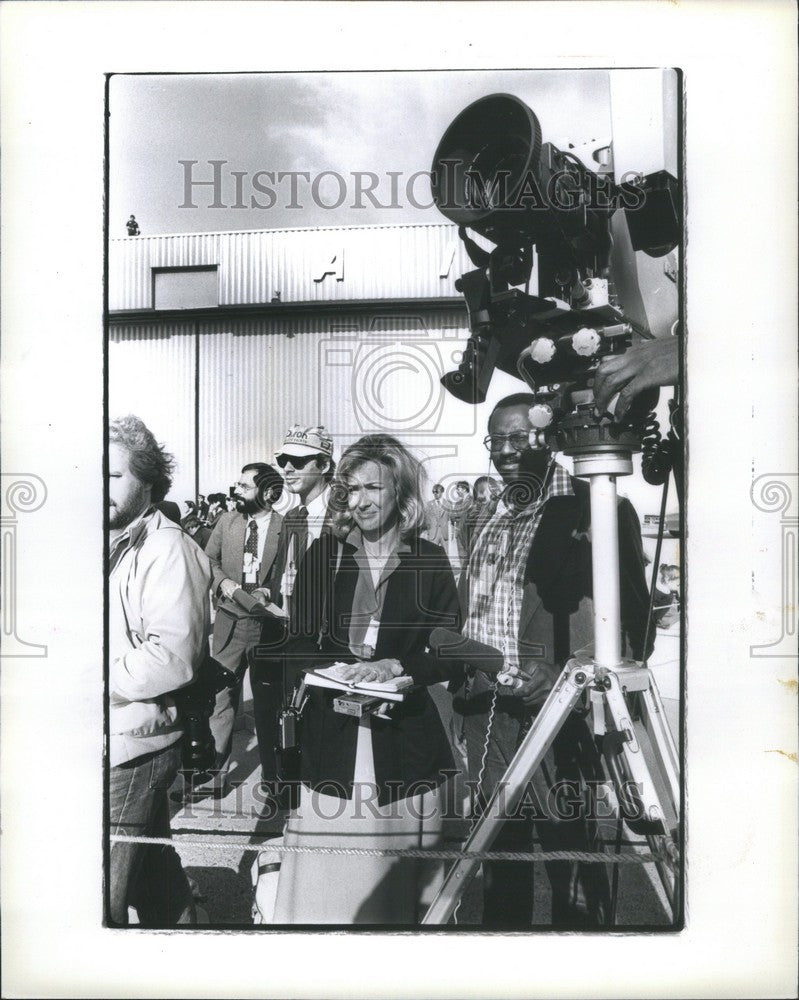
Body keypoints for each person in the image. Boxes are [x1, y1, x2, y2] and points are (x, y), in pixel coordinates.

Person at [456, 392, 653, 928]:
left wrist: (573, 670)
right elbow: (473, 608)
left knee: (574, 845)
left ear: (550, 437)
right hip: (487, 710)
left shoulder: (600, 508)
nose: (505, 451)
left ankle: (585, 959)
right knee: (497, 845)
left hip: (558, 706)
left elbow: (633, 619)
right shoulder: (486, 514)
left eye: (519, 437)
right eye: (496, 440)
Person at [272, 435, 462, 924]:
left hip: (402, 747)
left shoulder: (429, 560)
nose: (359, 502)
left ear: (400, 491)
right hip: (330, 741)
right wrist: (332, 675)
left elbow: (448, 650)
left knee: (394, 888)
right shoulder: (325, 555)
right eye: (351, 489)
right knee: (326, 887)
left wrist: (397, 668)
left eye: (372, 488)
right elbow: (295, 646)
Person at [108, 415, 211, 926]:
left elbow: (171, 657)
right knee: (151, 873)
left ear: (146, 480)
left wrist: (89, 678)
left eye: (112, 476)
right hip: (106, 733)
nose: (97, 487)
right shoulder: (107, 539)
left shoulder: (169, 549)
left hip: (134, 744)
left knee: (100, 889)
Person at [198, 463, 284, 796]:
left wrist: (269, 592)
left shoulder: (286, 527)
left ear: (267, 492)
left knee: (269, 706)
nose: (236, 491)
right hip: (228, 623)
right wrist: (226, 585)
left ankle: (274, 782)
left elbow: (291, 572)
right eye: (237, 484)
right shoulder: (227, 522)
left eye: (244, 486)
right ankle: (214, 776)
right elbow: (208, 561)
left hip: (268, 629)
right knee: (220, 701)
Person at [422, 483, 449, 548]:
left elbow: (451, 519)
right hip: (433, 534)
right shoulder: (429, 504)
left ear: (442, 492)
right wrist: (427, 531)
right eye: (433, 492)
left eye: (437, 492)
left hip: (444, 534)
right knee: (432, 554)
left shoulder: (448, 504)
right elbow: (426, 519)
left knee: (446, 554)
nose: (435, 494)